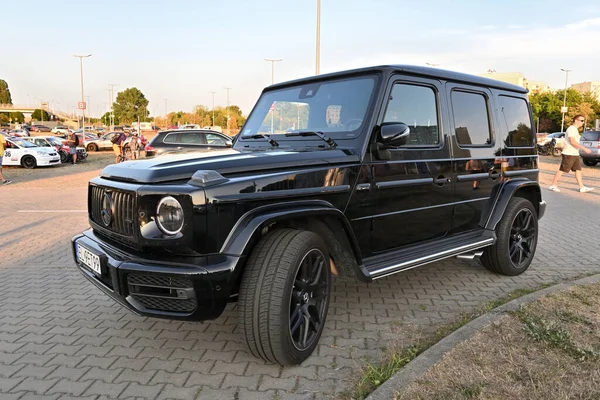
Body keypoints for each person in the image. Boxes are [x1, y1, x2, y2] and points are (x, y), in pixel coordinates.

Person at [549, 115, 594, 193]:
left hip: (574, 153)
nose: (583, 122)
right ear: (576, 120)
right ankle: (553, 185)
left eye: (583, 121)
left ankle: (581, 187)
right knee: (563, 169)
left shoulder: (575, 130)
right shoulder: (572, 129)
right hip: (569, 153)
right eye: (581, 120)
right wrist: (584, 149)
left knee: (578, 170)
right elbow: (572, 142)